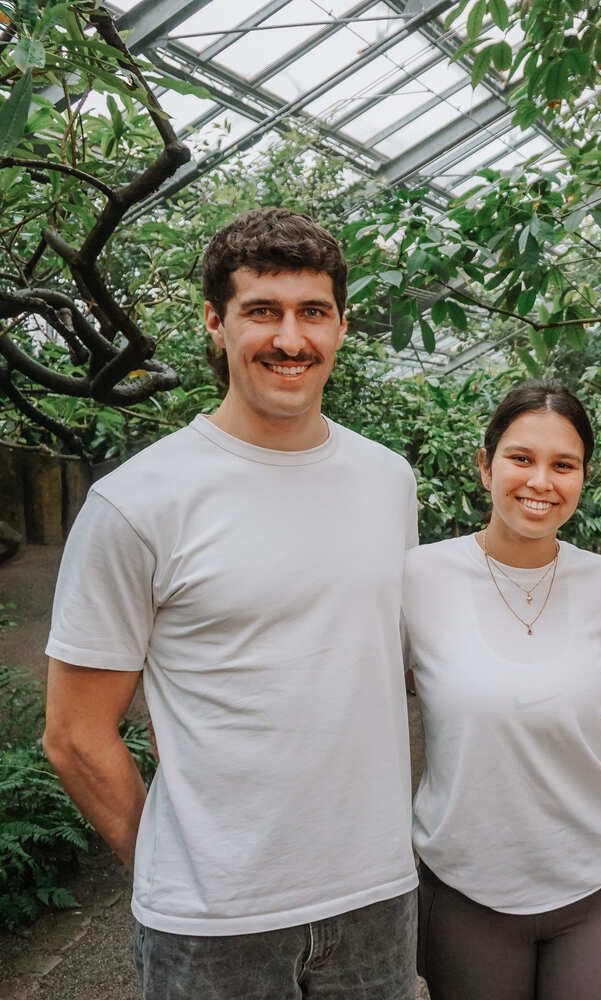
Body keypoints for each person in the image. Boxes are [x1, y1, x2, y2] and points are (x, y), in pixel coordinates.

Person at [41, 208, 420, 1000]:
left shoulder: (389, 480)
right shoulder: (138, 502)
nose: (291, 338)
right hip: (211, 927)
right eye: (262, 312)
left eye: (313, 312)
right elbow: (75, 735)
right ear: (216, 324)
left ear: (342, 327)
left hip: (376, 896)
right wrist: (172, 866)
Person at [403, 379, 601, 1000]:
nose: (540, 481)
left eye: (564, 465)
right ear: (485, 464)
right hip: (467, 881)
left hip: (597, 875)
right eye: (521, 458)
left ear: (583, 476)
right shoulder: (419, 578)